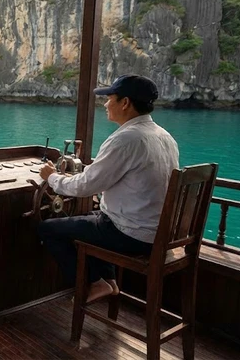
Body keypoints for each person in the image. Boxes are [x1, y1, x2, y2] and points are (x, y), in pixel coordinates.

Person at [37, 74, 179, 302]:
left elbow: (85, 185)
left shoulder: (125, 139)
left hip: (134, 236)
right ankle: (109, 282)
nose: (105, 104)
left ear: (125, 103)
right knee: (93, 218)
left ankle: (93, 283)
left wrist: (52, 177)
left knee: (48, 229)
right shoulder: (165, 136)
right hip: (160, 234)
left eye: (109, 98)